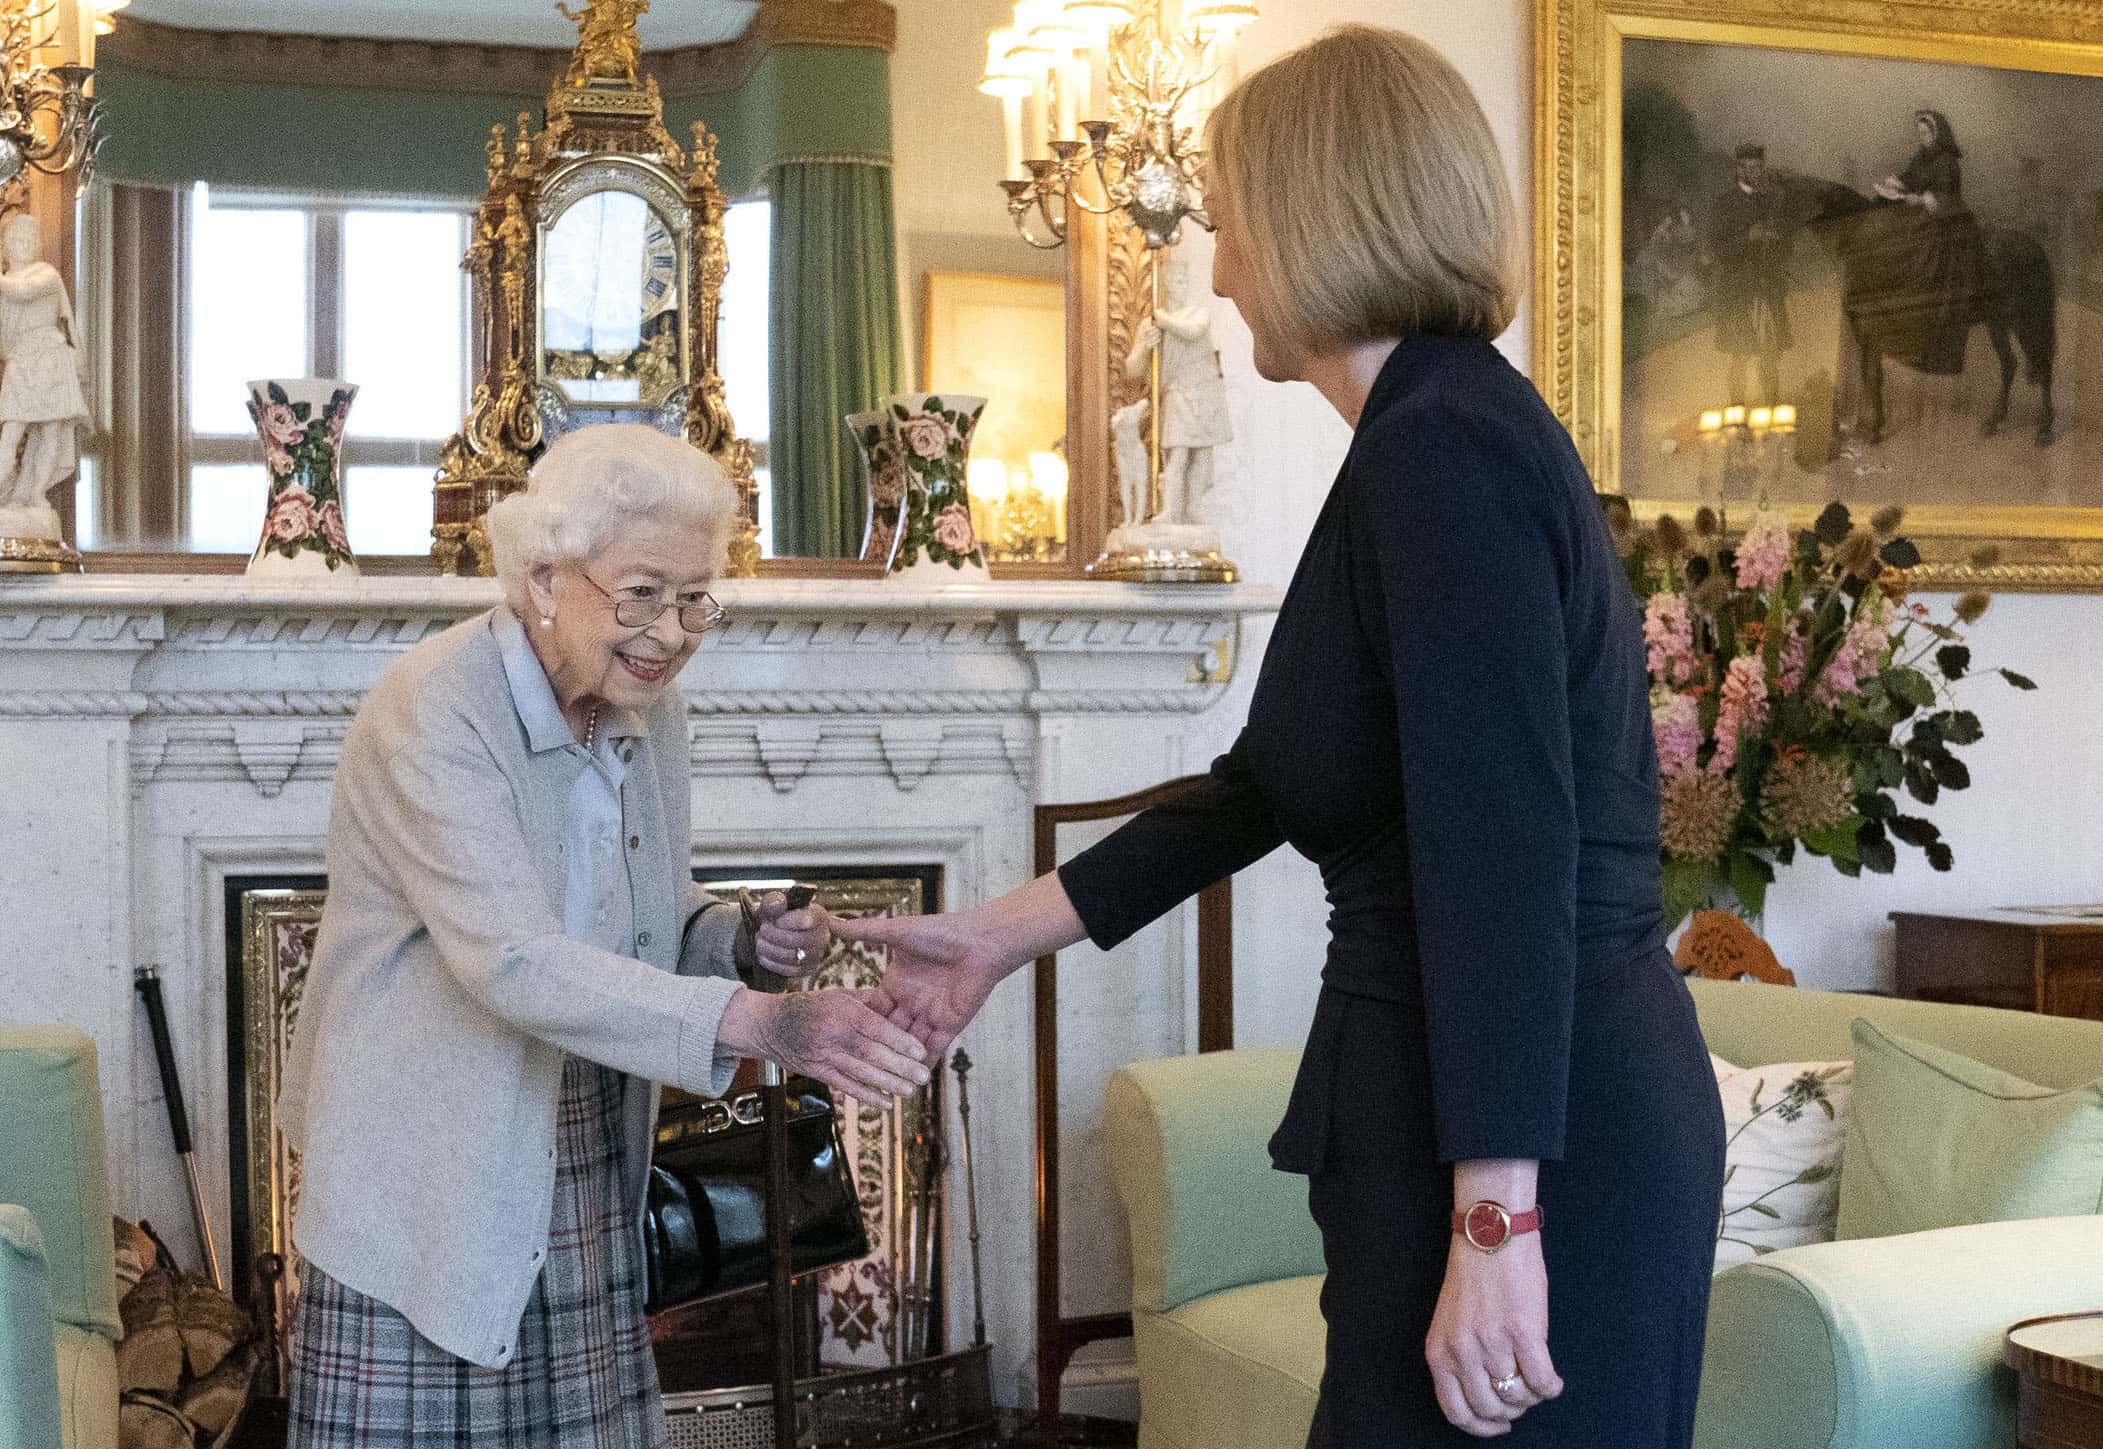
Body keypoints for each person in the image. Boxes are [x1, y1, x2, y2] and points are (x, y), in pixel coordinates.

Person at [841, 25, 1724, 1447]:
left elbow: (1499, 853)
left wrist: (1495, 1217)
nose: (1219, 262)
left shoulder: (1441, 450)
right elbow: (1273, 782)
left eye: (1231, 216)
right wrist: (998, 934)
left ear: (1320, 213)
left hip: (1533, 1142)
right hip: (1452, 1121)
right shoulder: (1418, 438)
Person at [278, 424, 930, 1447]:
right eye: (641, 593)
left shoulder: (643, 709)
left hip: (581, 1139)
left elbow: (641, 918)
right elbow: (512, 956)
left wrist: (737, 941)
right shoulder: (434, 707)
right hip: (430, 1164)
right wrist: (764, 1021)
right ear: (543, 576)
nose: (669, 633)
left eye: (694, 599)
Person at [1870, 108, 1982, 375]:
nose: (1921, 138)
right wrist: (1894, 184)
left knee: (1926, 257)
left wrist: (1919, 199)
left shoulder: (1947, 162)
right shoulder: (1921, 157)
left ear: (1937, 134)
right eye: (1919, 134)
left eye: (1925, 133)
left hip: (1947, 222)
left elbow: (1947, 196)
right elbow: (1910, 177)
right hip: (1922, 215)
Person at [0, 213, 89, 518]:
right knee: (12, 429)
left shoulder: (46, 275)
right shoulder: (6, 283)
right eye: (16, 240)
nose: (22, 245)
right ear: (6, 247)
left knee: (52, 430)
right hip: (22, 361)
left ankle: (36, 494)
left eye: (28, 240)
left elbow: (23, 292)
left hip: (50, 359)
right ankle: (4, 492)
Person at [1706, 143, 1794, 406]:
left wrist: (1778, 241)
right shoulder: (1723, 204)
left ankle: (1771, 411)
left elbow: (1788, 246)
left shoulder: (1773, 201)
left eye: (1759, 167)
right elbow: (1716, 249)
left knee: (1769, 355)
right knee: (1740, 355)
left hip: (1767, 290)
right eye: (1749, 168)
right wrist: (1747, 237)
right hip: (1738, 293)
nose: (1755, 173)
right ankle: (1737, 416)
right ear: (1738, 169)